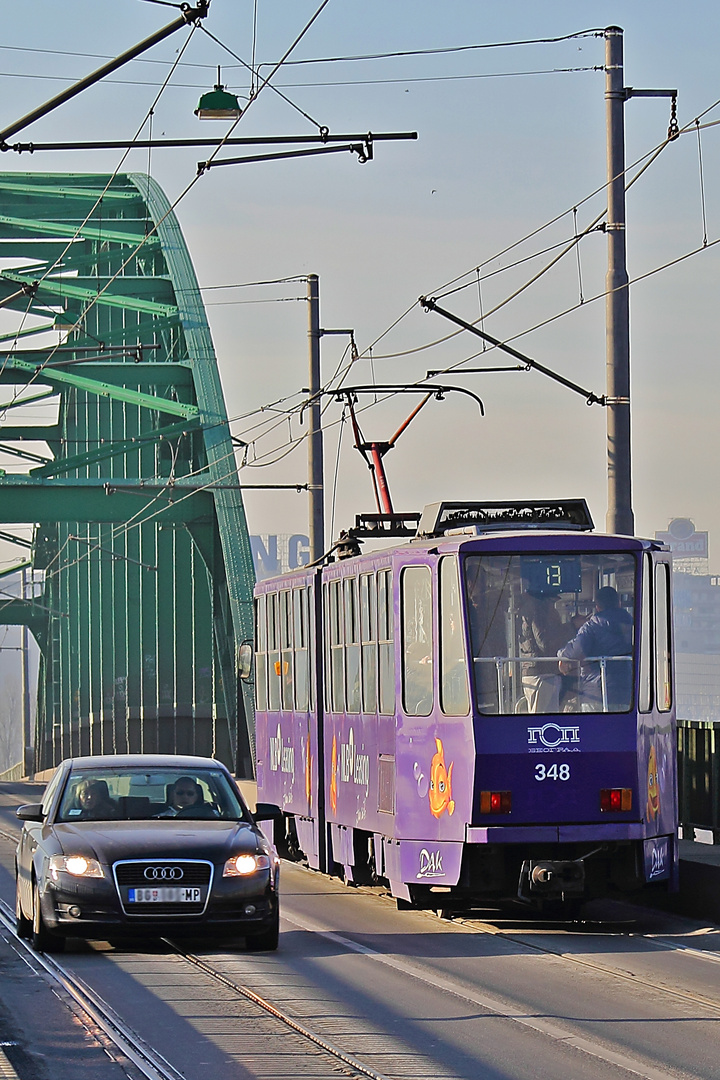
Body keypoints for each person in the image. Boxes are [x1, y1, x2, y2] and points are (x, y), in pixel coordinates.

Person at [558, 586, 633, 712]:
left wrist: (561, 655)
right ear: (619, 603)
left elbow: (577, 650)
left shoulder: (591, 627)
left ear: (597, 607)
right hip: (626, 692)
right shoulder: (633, 624)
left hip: (595, 693)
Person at [519, 591, 571, 713]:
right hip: (542, 673)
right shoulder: (539, 611)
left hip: (537, 671)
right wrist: (571, 626)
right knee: (542, 720)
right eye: (552, 602)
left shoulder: (530, 609)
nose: (553, 607)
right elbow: (545, 643)